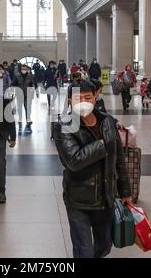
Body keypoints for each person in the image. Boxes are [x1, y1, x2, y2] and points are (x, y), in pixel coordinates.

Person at [52, 80, 132, 258]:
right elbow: (74, 160)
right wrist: (103, 144)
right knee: (84, 250)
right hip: (78, 198)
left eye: (87, 97)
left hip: (106, 197)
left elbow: (119, 160)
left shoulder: (108, 121)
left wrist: (125, 191)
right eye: (77, 98)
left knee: (104, 246)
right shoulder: (62, 126)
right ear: (70, 102)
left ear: (95, 98)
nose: (83, 101)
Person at [12, 63, 37, 132]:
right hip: (19, 94)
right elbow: (13, 84)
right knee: (20, 107)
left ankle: (28, 119)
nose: (24, 70)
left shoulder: (30, 76)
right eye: (23, 69)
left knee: (27, 107)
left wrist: (32, 94)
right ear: (21, 69)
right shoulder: (17, 76)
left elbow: (32, 84)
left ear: (27, 69)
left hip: (27, 94)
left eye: (25, 69)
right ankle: (20, 119)